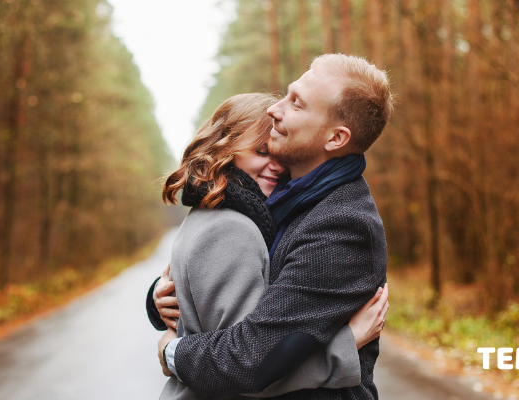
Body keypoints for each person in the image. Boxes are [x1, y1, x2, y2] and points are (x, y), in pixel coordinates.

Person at [151, 54, 394, 399]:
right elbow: (236, 272)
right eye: (287, 94)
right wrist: (160, 298)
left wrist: (170, 352)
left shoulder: (342, 228)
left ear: (336, 138)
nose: (274, 109)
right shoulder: (282, 198)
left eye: (297, 103)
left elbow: (249, 361)